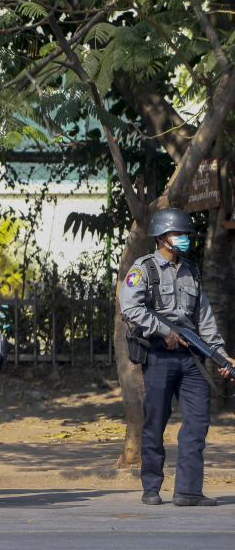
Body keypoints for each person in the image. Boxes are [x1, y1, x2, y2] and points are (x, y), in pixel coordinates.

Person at [119, 207, 235, 506]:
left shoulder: (192, 271)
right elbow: (131, 307)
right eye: (178, 234)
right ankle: (151, 486)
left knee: (197, 423)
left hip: (191, 358)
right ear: (161, 237)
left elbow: (205, 319)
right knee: (155, 422)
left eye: (186, 234)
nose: (184, 239)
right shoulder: (143, 269)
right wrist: (163, 331)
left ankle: (188, 490)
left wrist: (221, 357)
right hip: (158, 357)